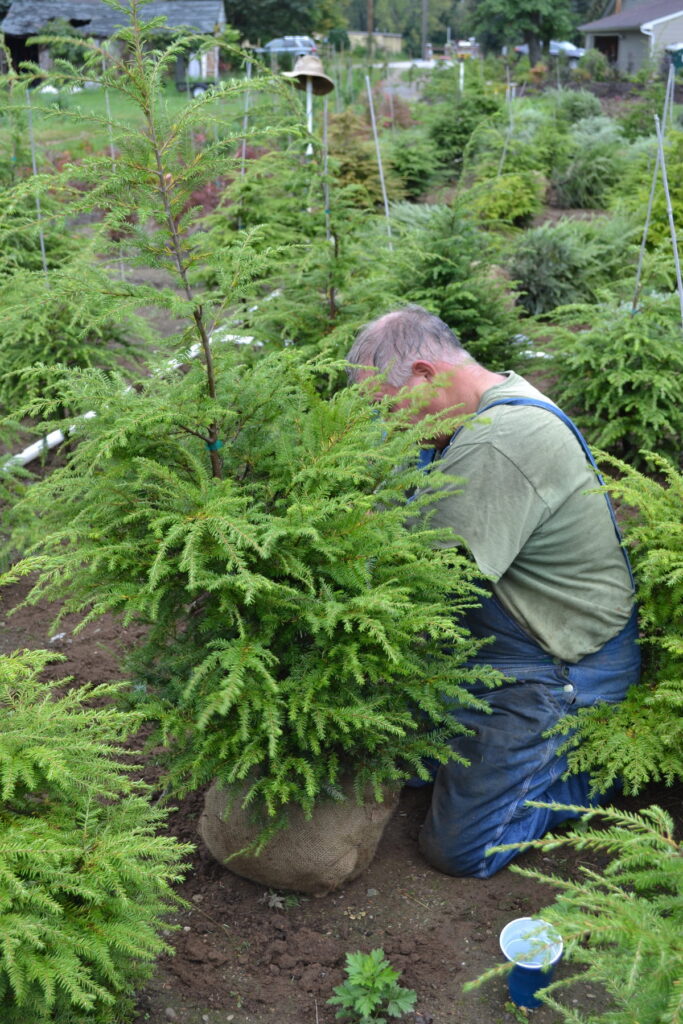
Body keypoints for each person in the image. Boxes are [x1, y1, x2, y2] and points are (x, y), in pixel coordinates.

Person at [346, 305, 640, 879]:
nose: (391, 428)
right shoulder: (470, 416)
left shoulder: (503, 440)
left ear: (427, 373)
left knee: (461, 848)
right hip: (499, 641)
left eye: (388, 409)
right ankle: (482, 750)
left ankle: (588, 766)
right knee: (406, 760)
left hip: (559, 665)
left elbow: (427, 588)